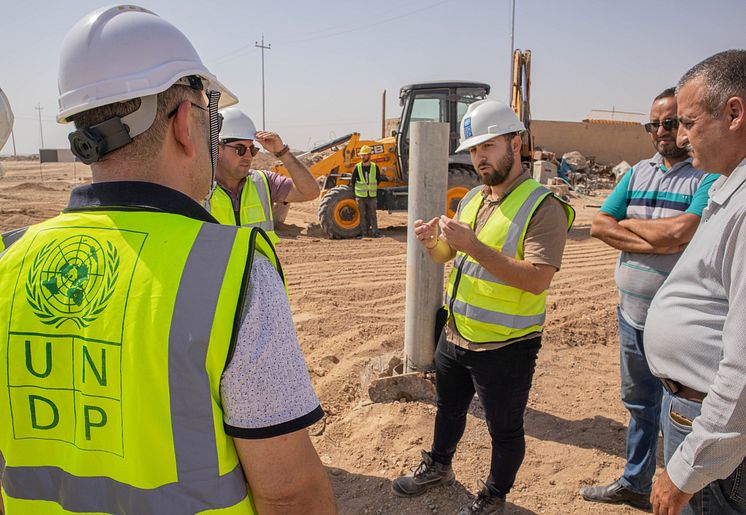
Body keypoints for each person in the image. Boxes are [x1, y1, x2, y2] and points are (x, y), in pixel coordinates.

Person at [0, 6, 336, 514]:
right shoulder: (234, 273)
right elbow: (289, 493)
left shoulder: (10, 259)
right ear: (185, 122)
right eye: (213, 122)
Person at [392, 100, 574, 515]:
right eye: (474, 150)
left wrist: (473, 245)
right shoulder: (474, 197)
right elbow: (452, 259)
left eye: (488, 146)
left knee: (504, 430)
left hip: (506, 346)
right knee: (448, 408)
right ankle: (438, 465)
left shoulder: (542, 206)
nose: (479, 158)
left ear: (515, 142)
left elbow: (536, 279)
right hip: (456, 333)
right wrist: (433, 245)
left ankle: (494, 495)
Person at [580, 89, 715, 510]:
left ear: (688, 123)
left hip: (677, 328)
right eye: (653, 124)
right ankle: (636, 483)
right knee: (640, 405)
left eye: (671, 123)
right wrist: (657, 242)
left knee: (683, 415)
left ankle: (684, 496)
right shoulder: (638, 172)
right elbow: (599, 225)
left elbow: (682, 233)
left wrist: (637, 231)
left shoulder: (708, 175)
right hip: (631, 316)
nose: (660, 131)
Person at [644, 49, 746, 515]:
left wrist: (687, 472)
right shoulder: (729, 187)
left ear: (734, 113)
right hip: (691, 411)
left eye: (687, 122)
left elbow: (743, 369)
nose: (680, 138)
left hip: (710, 430)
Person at [208, 107, 319, 244]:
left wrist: (282, 152)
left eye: (252, 149)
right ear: (218, 150)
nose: (248, 156)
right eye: (240, 149)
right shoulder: (200, 190)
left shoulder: (264, 182)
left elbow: (310, 192)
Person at [349, 145, 384, 237]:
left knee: (373, 215)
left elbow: (378, 180)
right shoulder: (357, 167)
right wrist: (356, 195)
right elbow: (352, 182)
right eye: (361, 155)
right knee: (362, 215)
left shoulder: (374, 167)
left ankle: (375, 233)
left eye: (364, 155)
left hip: (372, 196)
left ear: (369, 155)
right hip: (360, 196)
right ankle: (364, 234)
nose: (362, 157)